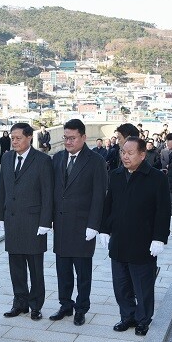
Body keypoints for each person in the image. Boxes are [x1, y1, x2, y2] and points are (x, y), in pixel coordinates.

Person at [99, 136, 171, 336]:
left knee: (142, 286)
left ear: (142, 154)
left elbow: (163, 211)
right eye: (123, 152)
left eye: (130, 153)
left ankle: (143, 319)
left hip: (143, 242)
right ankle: (127, 316)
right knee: (121, 285)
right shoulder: (115, 175)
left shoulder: (157, 178)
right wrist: (104, 229)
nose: (125, 156)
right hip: (119, 241)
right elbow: (108, 204)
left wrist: (159, 238)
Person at [50, 119, 107, 326]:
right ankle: (65, 304)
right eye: (65, 138)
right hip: (62, 226)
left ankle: (81, 308)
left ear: (83, 137)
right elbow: (52, 192)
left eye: (72, 138)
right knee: (62, 270)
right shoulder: (57, 158)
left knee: (82, 272)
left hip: (83, 227)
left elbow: (99, 196)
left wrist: (94, 225)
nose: (68, 141)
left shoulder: (95, 161)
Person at [0, 122, 54, 321]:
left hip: (34, 222)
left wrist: (46, 222)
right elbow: (2, 188)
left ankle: (36, 305)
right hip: (12, 221)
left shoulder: (42, 160)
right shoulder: (6, 157)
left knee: (36, 269)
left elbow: (48, 194)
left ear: (29, 138)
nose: (14, 141)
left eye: (18, 138)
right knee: (16, 267)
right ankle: (19, 303)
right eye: (12, 138)